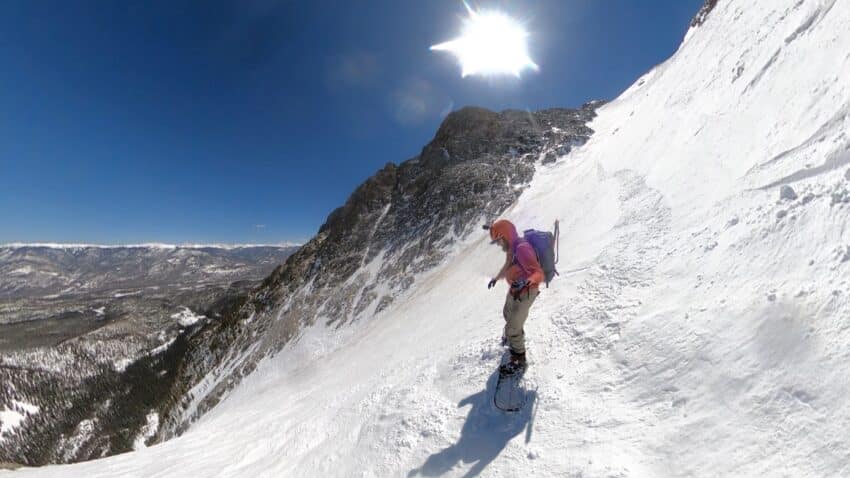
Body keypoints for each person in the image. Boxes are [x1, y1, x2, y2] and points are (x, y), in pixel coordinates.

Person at [487, 219, 544, 372]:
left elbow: (539, 273)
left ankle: (519, 359)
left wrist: (526, 282)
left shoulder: (522, 248)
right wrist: (496, 278)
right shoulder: (512, 249)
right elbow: (507, 266)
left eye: (499, 241)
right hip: (515, 289)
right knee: (507, 313)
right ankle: (515, 336)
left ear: (505, 236)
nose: (499, 245)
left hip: (526, 292)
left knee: (512, 327)